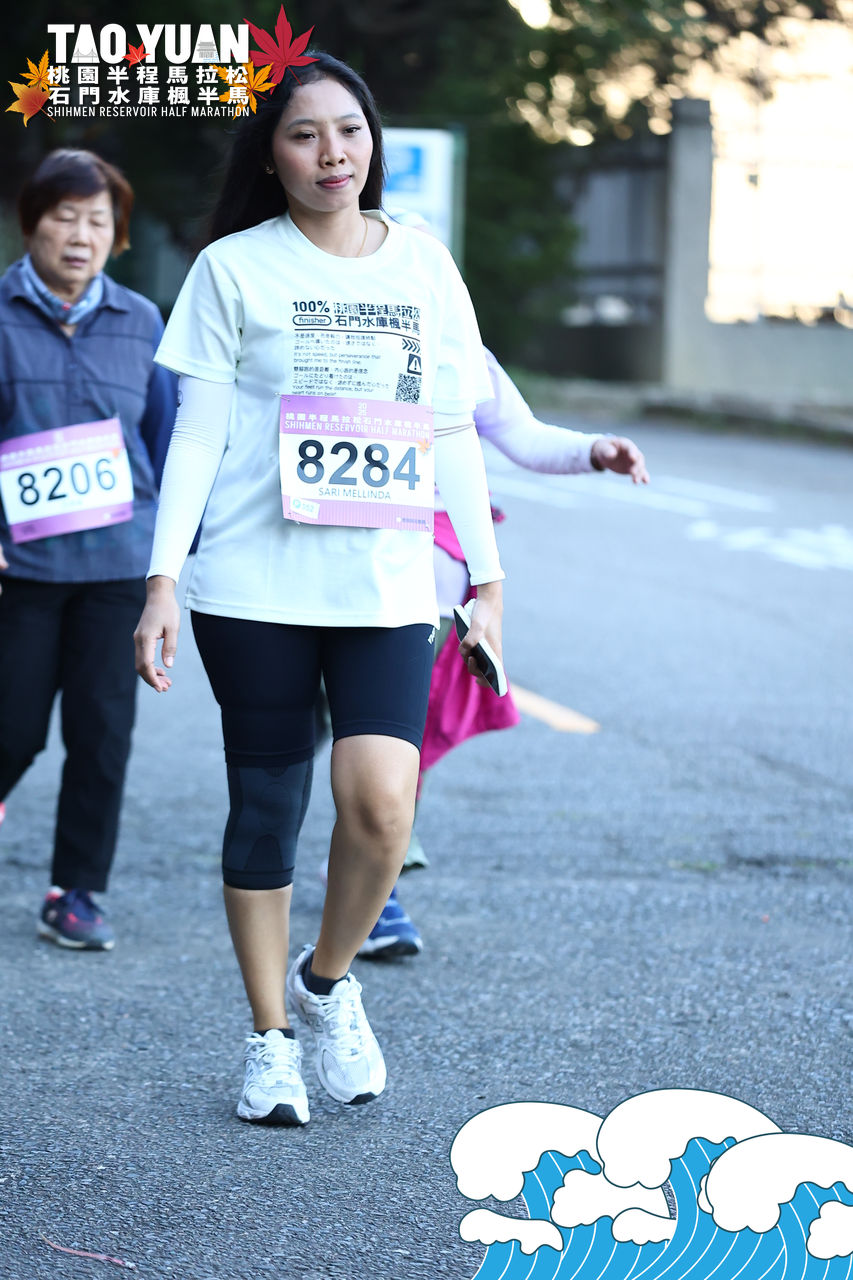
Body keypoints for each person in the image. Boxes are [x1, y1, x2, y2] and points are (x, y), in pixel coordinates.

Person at [133, 52, 504, 1128]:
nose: (332, 152)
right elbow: (197, 435)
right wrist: (162, 580)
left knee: (382, 803)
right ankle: (268, 1038)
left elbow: (450, 427)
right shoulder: (232, 269)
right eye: (304, 134)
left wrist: (487, 577)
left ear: (371, 142)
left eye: (349, 130)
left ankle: (327, 982)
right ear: (271, 155)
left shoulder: (423, 264)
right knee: (265, 807)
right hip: (250, 582)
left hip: (382, 583)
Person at [361, 345, 649, 959]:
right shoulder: (321, 322)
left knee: (398, 739)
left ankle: (373, 886)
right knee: (317, 736)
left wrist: (594, 451)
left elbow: (521, 433)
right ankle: (284, 868)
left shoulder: (457, 344)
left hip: (432, 591)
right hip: (324, 557)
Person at [0, 149, 177, 951]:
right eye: (64, 217)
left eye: (98, 221)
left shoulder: (142, 322)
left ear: (118, 235)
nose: (81, 235)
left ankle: (76, 891)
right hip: (23, 569)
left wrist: (166, 564)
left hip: (116, 565)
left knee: (102, 735)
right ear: (31, 224)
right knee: (12, 728)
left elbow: (165, 440)